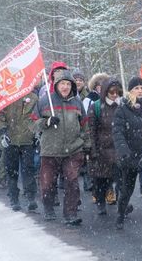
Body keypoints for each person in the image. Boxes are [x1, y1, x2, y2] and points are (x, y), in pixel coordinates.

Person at [32, 70, 90, 225]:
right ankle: (49, 208)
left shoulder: (77, 102)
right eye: (62, 83)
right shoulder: (44, 101)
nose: (65, 87)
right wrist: (47, 122)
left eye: (68, 84)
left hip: (73, 149)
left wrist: (86, 145)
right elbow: (33, 124)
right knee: (48, 183)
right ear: (56, 85)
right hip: (50, 150)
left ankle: (70, 214)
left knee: (72, 182)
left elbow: (85, 125)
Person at [112, 76, 142, 230]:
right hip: (130, 155)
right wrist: (123, 151)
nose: (140, 91)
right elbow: (118, 132)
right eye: (136, 88)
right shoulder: (122, 109)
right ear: (130, 91)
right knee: (126, 190)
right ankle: (120, 214)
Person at [0, 92, 39, 212]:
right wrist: (3, 132)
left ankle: (31, 197)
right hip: (11, 140)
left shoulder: (34, 98)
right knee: (11, 170)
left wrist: (36, 132)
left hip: (27, 140)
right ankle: (14, 198)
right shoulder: (6, 97)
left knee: (28, 169)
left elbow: (36, 117)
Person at [88, 77, 123, 216]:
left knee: (122, 180)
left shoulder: (123, 105)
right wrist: (93, 150)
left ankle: (123, 204)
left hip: (119, 148)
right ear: (105, 92)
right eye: (111, 92)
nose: (115, 95)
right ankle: (100, 202)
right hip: (102, 149)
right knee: (101, 180)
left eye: (118, 92)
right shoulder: (96, 106)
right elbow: (91, 130)